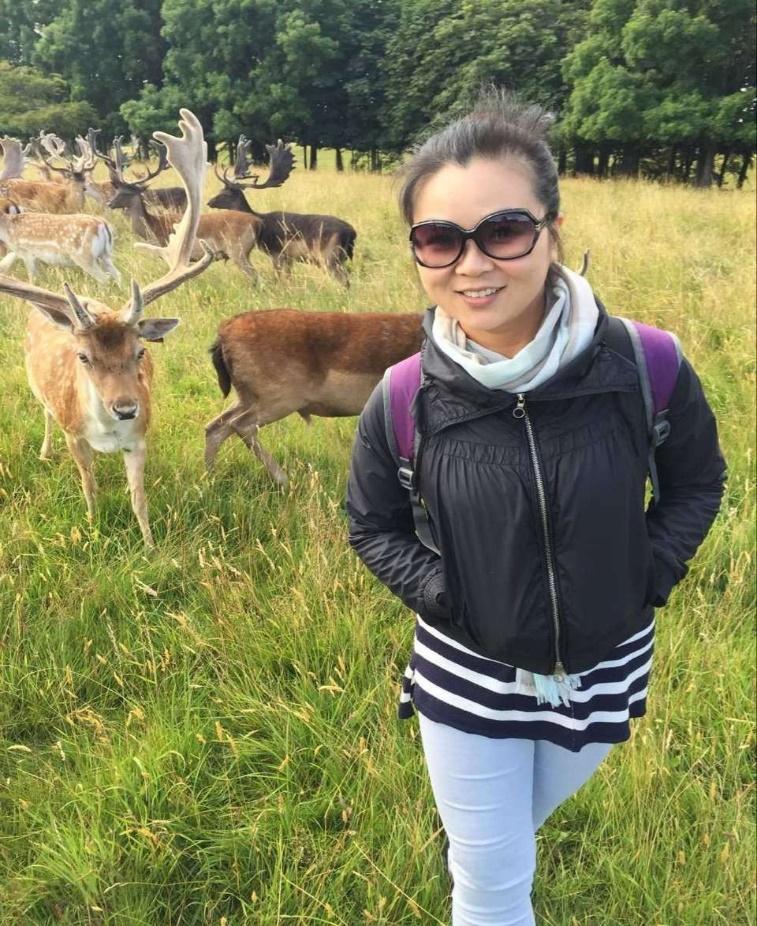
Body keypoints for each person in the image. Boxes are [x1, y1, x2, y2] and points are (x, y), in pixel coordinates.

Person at [345, 92, 726, 926]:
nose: (471, 264)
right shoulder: (402, 395)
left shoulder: (647, 363)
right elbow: (371, 524)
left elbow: (696, 481)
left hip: (607, 665)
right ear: (417, 251)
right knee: (491, 884)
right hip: (468, 674)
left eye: (504, 230)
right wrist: (450, 599)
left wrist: (645, 574)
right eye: (439, 239)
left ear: (552, 230)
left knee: (504, 841)